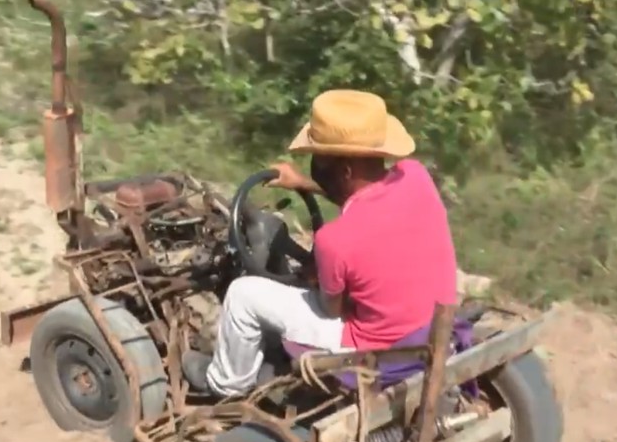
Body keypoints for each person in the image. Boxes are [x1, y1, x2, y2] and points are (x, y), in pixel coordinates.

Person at [181, 89, 458, 397]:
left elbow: (331, 308)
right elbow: (362, 200)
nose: (313, 163)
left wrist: (315, 276)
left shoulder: (335, 240)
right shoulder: (415, 176)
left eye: (318, 159)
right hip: (426, 327)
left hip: (372, 346)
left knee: (243, 294)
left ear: (345, 171)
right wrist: (303, 183)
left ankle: (225, 384)